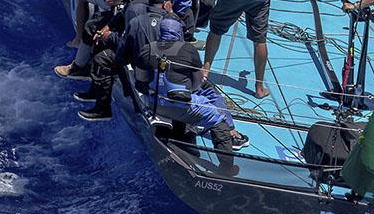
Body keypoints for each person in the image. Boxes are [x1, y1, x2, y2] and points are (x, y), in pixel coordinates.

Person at [78, 16, 248, 171]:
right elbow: (197, 83)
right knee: (217, 119)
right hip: (181, 106)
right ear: (178, 32)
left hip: (154, 105)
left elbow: (140, 81)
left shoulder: (147, 49)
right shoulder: (188, 50)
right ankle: (227, 167)